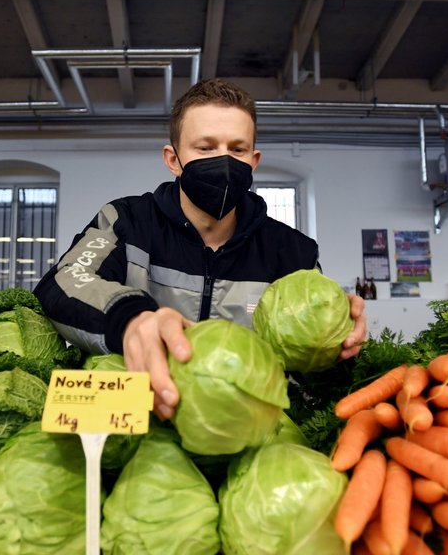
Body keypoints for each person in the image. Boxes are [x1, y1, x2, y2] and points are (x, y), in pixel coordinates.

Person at [34, 78, 367, 419]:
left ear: (254, 160)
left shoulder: (293, 252)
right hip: (142, 422)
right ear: (173, 159)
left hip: (242, 430)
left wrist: (336, 339)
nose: (223, 161)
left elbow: (311, 375)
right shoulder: (126, 222)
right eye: (205, 148)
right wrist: (131, 319)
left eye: (237, 150)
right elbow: (63, 283)